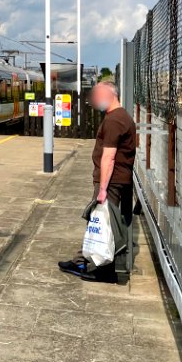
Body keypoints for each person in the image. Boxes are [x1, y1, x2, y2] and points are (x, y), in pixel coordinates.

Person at [59, 80, 136, 283]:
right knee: (98, 222)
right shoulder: (120, 116)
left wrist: (102, 189)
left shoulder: (114, 121)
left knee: (104, 224)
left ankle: (102, 270)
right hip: (116, 180)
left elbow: (108, 157)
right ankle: (82, 260)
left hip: (111, 182)